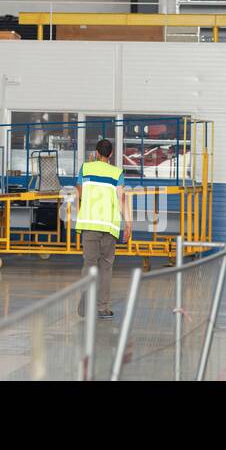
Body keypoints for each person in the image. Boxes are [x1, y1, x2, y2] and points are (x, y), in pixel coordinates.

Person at [75, 137, 131, 319]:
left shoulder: (86, 168)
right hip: (109, 227)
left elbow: (80, 191)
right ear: (111, 154)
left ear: (96, 154)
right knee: (106, 267)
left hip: (90, 225)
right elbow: (122, 199)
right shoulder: (117, 173)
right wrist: (128, 223)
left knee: (89, 265)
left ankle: (84, 306)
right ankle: (102, 308)